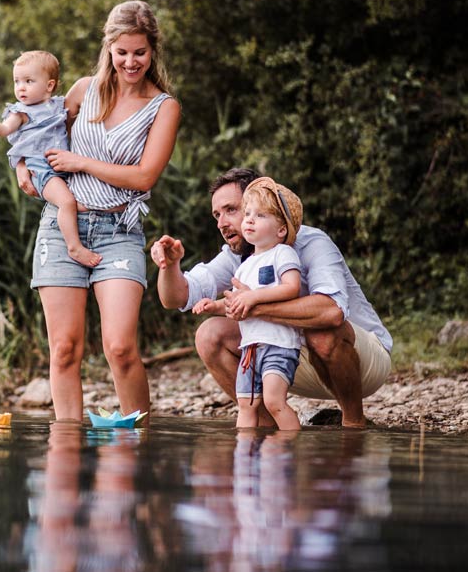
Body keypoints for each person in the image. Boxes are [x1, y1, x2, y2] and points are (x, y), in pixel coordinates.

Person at [25, 0, 181, 421]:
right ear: (109, 48)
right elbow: (36, 134)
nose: (131, 62)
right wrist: (25, 168)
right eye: (122, 52)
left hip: (119, 229)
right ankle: (67, 448)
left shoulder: (163, 107)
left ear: (153, 52)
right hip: (63, 227)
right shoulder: (81, 91)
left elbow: (145, 177)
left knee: (120, 346)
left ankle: (137, 439)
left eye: (140, 53)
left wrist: (81, 163)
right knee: (64, 348)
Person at [151, 168, 392, 428]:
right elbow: (175, 299)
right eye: (217, 215)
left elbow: (331, 311)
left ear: (261, 202)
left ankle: (353, 425)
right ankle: (268, 431)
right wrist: (170, 266)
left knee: (321, 330)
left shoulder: (310, 242)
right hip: (285, 358)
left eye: (231, 210)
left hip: (363, 363)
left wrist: (254, 306)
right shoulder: (238, 255)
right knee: (208, 335)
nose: (221, 223)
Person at [192, 178, 304, 430]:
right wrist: (215, 306)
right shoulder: (245, 265)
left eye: (260, 215)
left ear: (281, 230)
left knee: (275, 402)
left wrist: (253, 297)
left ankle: (291, 447)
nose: (250, 220)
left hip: (278, 344)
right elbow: (235, 303)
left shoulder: (282, 253)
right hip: (250, 348)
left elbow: (291, 288)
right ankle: (244, 451)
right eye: (248, 214)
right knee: (246, 404)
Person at [0, 50, 101, 267]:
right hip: (42, 169)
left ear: (49, 86)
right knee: (67, 202)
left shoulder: (59, 106)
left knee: (77, 199)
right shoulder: (20, 112)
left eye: (28, 81)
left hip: (63, 165)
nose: (20, 87)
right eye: (17, 81)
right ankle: (74, 247)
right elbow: (4, 130)